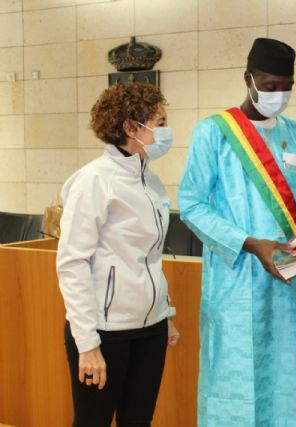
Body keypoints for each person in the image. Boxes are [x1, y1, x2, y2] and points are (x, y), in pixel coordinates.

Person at [178, 37, 296, 426]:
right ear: (248, 79)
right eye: (270, 85)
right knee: (233, 383)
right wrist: (251, 243)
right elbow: (192, 205)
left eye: (286, 86)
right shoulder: (213, 133)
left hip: (286, 278)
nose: (279, 94)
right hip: (236, 280)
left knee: (285, 381)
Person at [57, 82, 181, 427]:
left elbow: (149, 256)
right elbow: (72, 263)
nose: (167, 130)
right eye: (160, 122)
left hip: (150, 328)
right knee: (92, 421)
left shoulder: (151, 181)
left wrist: (164, 313)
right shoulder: (94, 181)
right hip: (104, 330)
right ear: (130, 127)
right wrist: (87, 343)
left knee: (139, 421)